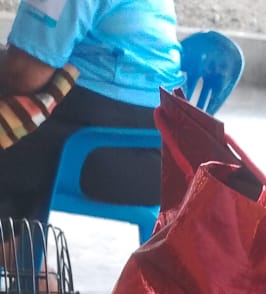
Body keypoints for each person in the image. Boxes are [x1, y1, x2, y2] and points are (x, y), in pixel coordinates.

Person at [0, 0, 183, 223]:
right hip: (158, 140)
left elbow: (24, 75)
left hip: (114, 146)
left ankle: (14, 239)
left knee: (11, 139)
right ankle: (17, 238)